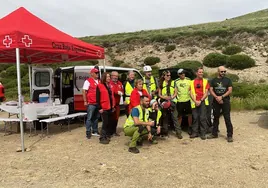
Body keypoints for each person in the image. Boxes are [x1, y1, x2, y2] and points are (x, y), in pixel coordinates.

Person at [207, 66, 234, 142]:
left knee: (227, 118)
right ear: (218, 72)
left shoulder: (228, 80)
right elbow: (211, 90)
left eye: (224, 71)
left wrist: (221, 97)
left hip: (225, 101)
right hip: (216, 101)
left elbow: (230, 90)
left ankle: (229, 135)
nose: (223, 73)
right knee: (216, 118)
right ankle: (214, 133)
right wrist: (216, 97)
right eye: (222, 72)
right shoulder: (213, 80)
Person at [158, 70, 182, 139]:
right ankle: (165, 132)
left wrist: (171, 97)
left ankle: (178, 133)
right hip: (164, 102)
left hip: (172, 101)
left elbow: (175, 92)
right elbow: (159, 94)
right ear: (164, 76)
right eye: (167, 75)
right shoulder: (161, 83)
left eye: (170, 75)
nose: (169, 77)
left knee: (175, 117)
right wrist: (164, 97)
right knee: (165, 117)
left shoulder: (173, 82)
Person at [189, 67, 209, 140]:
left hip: (202, 101)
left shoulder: (205, 81)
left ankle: (203, 133)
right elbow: (190, 93)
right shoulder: (192, 82)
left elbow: (206, 92)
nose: (201, 73)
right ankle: (195, 132)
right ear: (196, 73)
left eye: (202, 72)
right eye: (200, 72)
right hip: (194, 102)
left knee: (202, 117)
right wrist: (195, 101)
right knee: (195, 117)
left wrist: (200, 100)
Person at [96, 72, 115, 144]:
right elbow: (97, 98)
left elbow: (111, 96)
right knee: (105, 123)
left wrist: (113, 106)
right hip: (103, 107)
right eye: (107, 77)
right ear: (104, 77)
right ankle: (102, 137)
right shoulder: (99, 86)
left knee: (109, 122)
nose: (109, 78)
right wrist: (99, 108)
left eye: (109, 77)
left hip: (110, 107)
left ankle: (106, 135)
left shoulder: (109, 86)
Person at [82, 68, 100, 139]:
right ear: (92, 73)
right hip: (91, 103)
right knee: (89, 118)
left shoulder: (99, 81)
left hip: (97, 102)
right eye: (96, 73)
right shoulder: (88, 81)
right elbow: (84, 91)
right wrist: (85, 101)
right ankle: (88, 132)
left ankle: (95, 130)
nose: (97, 74)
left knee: (96, 117)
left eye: (97, 73)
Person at [175, 69, 192, 134]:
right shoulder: (176, 81)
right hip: (180, 101)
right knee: (179, 116)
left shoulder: (189, 80)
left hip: (188, 100)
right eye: (181, 73)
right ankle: (179, 129)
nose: (183, 74)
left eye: (184, 73)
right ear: (178, 74)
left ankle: (190, 127)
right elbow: (175, 91)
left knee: (190, 115)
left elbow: (191, 89)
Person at [110, 71, 124, 136]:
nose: (116, 77)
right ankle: (109, 132)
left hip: (117, 104)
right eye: (114, 76)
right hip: (111, 104)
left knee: (116, 118)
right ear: (111, 76)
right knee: (110, 118)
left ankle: (114, 131)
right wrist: (116, 92)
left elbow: (122, 91)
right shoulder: (109, 83)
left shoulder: (120, 83)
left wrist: (121, 92)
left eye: (117, 76)